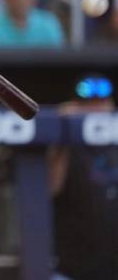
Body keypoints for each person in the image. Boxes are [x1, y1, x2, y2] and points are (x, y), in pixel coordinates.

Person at [49, 74, 117, 280]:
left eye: (100, 103)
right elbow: (50, 187)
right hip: (71, 268)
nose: (95, 109)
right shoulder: (67, 146)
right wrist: (62, 131)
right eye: (88, 105)